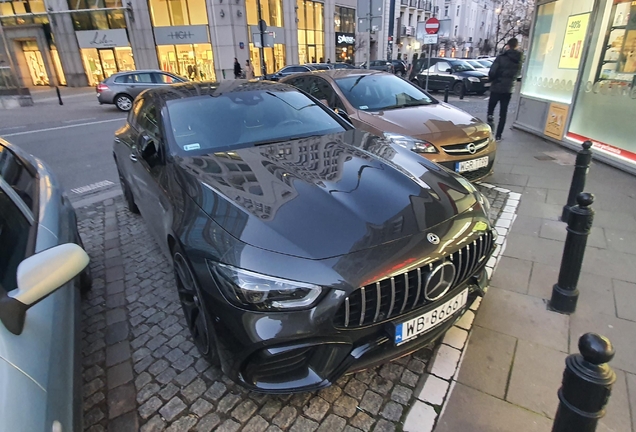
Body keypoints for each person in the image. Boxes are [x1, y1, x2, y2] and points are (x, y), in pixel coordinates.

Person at [487, 37, 522, 141]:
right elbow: (517, 74)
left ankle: (490, 126)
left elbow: (492, 72)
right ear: (516, 46)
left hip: (496, 86)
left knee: (491, 109)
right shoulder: (518, 59)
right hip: (508, 89)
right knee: (503, 112)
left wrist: (492, 79)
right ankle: (499, 135)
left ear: (508, 45)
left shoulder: (501, 57)